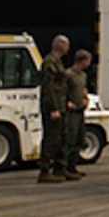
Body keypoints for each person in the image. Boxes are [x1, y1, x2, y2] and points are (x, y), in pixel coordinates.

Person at [37, 34, 70, 184]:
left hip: (61, 105)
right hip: (53, 106)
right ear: (61, 46)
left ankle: (60, 167)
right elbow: (48, 88)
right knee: (51, 137)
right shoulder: (49, 62)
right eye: (66, 45)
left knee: (61, 137)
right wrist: (53, 108)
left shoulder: (58, 62)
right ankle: (45, 170)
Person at [63, 50, 92, 180]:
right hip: (71, 112)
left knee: (80, 138)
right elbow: (62, 91)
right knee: (71, 138)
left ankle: (73, 166)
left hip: (80, 110)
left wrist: (86, 98)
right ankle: (66, 167)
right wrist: (67, 102)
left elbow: (83, 89)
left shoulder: (83, 76)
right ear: (83, 61)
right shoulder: (68, 74)